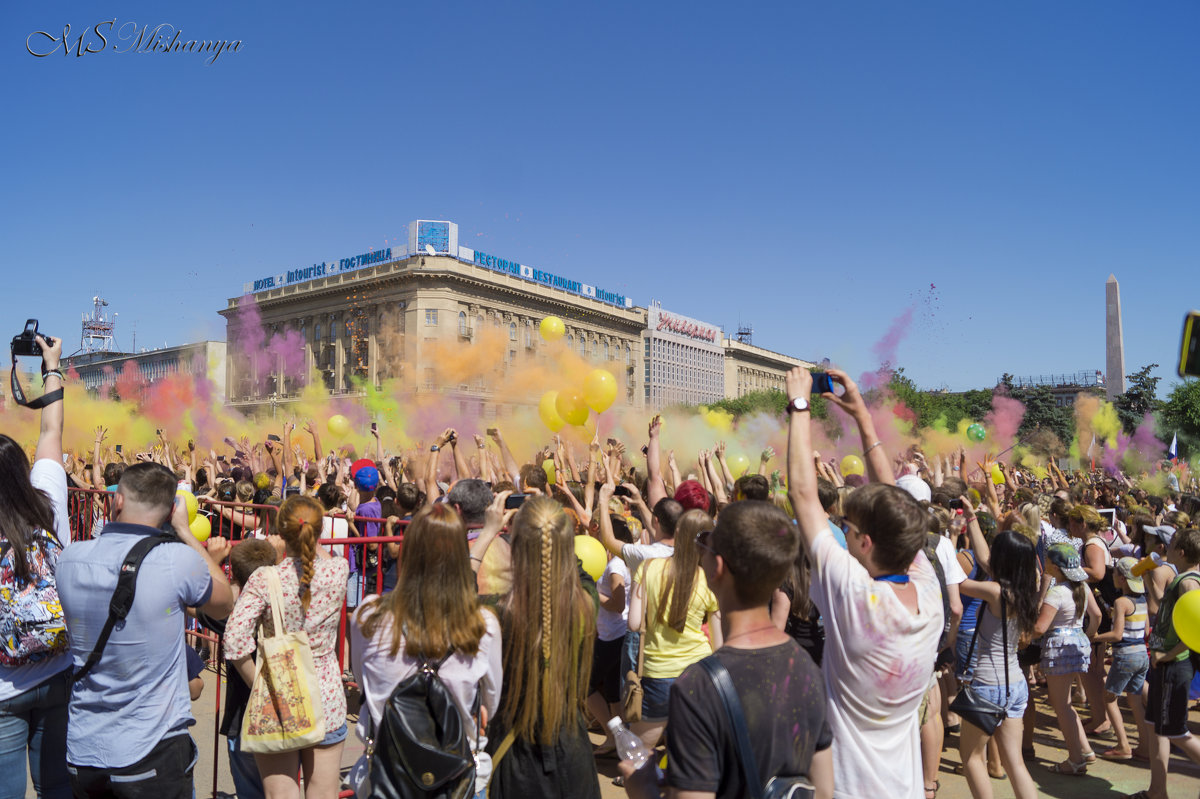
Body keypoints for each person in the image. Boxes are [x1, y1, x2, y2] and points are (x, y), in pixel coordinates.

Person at [786, 366, 943, 799]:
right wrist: (863, 418)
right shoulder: (928, 593)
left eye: (848, 527)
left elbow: (802, 494)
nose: (843, 531)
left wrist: (799, 404)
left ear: (867, 543)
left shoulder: (856, 594)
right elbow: (898, 506)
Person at [619, 501, 833, 799]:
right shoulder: (808, 668)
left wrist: (643, 791)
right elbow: (823, 790)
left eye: (705, 547)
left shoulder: (698, 686)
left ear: (717, 567)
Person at [57, 462, 234, 796]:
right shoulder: (177, 562)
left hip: (85, 748)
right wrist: (184, 532)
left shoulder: (70, 559)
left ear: (117, 501)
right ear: (171, 511)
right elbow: (224, 603)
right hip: (152, 750)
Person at [350, 503, 502, 799]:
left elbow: (362, 678)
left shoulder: (368, 615)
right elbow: (490, 704)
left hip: (385, 778)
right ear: (461, 557)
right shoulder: (483, 625)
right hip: (458, 780)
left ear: (407, 552)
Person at [224, 496, 349, 799]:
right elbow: (315, 562)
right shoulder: (339, 570)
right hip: (327, 696)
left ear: (280, 533)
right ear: (319, 529)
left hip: (280, 696)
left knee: (280, 794)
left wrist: (258, 684)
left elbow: (234, 639)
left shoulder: (265, 579)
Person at [481, 496, 600, 798]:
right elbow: (581, 575)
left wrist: (487, 533)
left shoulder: (494, 615)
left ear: (515, 547)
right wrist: (551, 530)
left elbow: (457, 594)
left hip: (514, 758)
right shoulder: (585, 604)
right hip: (574, 756)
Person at [0, 332, 72, 799]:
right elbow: (51, 431)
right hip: (58, 667)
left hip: (5, 690)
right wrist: (52, 365)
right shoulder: (48, 500)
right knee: (55, 788)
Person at [625, 507, 721, 749]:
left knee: (638, 753)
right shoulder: (710, 579)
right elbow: (718, 645)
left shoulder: (648, 568)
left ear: (677, 532)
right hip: (699, 673)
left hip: (657, 674)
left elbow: (634, 623)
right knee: (691, 752)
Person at [956, 531, 1041, 799]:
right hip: (1016, 685)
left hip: (988, 686)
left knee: (971, 758)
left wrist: (944, 541)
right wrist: (971, 520)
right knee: (1015, 763)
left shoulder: (994, 591)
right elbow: (983, 560)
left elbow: (958, 581)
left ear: (1002, 559)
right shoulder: (1025, 590)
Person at [1129, 526, 1200, 799]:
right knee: (1156, 727)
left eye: (1169, 546)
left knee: (1175, 731)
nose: (1164, 550)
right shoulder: (1180, 579)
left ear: (1180, 552)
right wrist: (1147, 578)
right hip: (1164, 664)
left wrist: (1167, 655)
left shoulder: (1188, 583)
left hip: (1173, 665)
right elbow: (1161, 607)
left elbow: (1195, 629)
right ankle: (1157, 792)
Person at [1034, 543, 1102, 775]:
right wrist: (1089, 634)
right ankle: (1085, 750)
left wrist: (1023, 635)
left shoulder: (1057, 592)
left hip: (1059, 649)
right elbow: (1098, 615)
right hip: (1078, 644)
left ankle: (1075, 760)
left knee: (1061, 705)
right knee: (1066, 703)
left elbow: (1040, 627)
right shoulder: (1082, 587)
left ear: (1054, 566)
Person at [1091, 556, 1150, 761]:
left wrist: (1095, 637)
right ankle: (1144, 746)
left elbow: (1116, 635)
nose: (1112, 575)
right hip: (1142, 654)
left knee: (1109, 698)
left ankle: (1123, 745)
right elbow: (1144, 630)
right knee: (1135, 700)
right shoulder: (1142, 600)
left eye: (1115, 572)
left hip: (1125, 655)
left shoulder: (1121, 602)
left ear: (1123, 578)